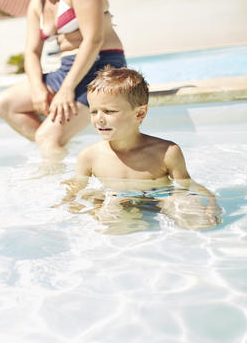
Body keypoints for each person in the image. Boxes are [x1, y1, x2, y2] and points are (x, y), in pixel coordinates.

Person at [0, 0, 127, 165]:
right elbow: (32, 52)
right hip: (68, 69)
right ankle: (59, 149)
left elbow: (93, 40)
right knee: (4, 104)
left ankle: (59, 169)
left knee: (46, 137)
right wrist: (37, 89)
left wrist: (66, 90)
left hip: (102, 68)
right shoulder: (38, 2)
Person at [62, 67, 222, 231]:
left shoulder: (166, 152)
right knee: (112, 225)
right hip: (116, 198)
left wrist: (211, 201)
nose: (99, 119)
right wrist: (72, 204)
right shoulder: (89, 156)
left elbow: (187, 185)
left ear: (140, 113)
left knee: (199, 222)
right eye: (93, 112)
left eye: (109, 111)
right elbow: (78, 189)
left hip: (160, 196)